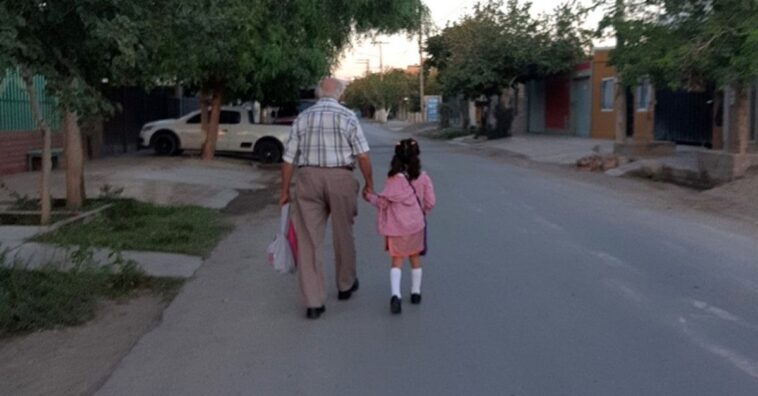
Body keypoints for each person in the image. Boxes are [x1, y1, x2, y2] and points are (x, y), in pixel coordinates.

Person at [279, 78, 374, 320]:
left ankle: (313, 303)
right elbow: (362, 156)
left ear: (319, 94)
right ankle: (345, 285)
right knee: (343, 233)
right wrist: (369, 184)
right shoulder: (348, 116)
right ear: (340, 94)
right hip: (341, 177)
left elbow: (288, 158)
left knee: (309, 241)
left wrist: (284, 191)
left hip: (308, 178)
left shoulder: (303, 117)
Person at [364, 138, 436, 314]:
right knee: (415, 258)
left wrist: (369, 197)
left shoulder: (392, 180)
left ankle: (395, 295)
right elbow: (430, 202)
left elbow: (383, 202)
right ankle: (416, 292)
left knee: (397, 261)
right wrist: (421, 213)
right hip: (416, 226)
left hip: (396, 228)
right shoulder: (424, 177)